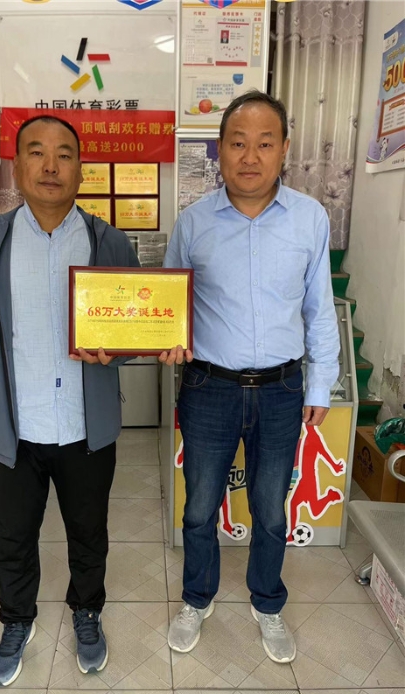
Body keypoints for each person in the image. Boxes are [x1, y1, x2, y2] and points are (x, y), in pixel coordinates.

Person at [0, 115, 139, 686]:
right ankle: (17, 620)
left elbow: (131, 334)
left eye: (64, 154)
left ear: (81, 169)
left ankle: (87, 612)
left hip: (86, 427)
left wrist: (118, 351)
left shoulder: (111, 243)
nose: (51, 166)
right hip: (13, 428)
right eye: (37, 152)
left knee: (89, 532)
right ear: (17, 166)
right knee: (13, 537)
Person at [161, 90, 340, 663]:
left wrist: (321, 383)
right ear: (219, 149)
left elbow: (319, 309)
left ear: (284, 148)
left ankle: (267, 603)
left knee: (269, 508)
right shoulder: (193, 223)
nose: (250, 156)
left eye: (264, 143)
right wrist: (165, 336)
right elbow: (168, 303)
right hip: (208, 387)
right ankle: (197, 598)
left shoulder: (310, 219)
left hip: (283, 390)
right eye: (237, 143)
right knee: (198, 507)